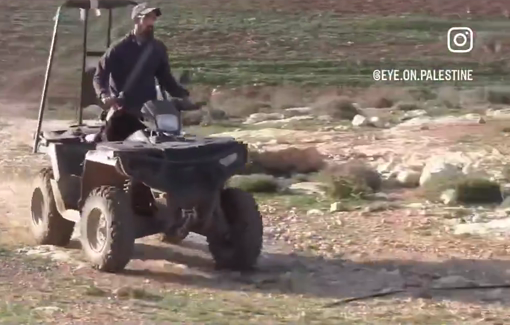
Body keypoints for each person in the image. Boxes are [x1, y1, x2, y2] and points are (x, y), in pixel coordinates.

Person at [92, 3, 191, 141]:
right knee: (111, 150)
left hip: (149, 114)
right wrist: (104, 95)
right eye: (148, 18)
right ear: (137, 19)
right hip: (122, 112)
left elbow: (166, 79)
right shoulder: (118, 48)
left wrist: (184, 96)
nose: (152, 22)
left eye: (153, 18)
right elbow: (99, 76)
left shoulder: (158, 48)